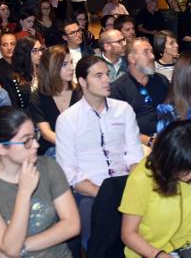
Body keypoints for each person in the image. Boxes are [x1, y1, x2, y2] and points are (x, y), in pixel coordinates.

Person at [0, 106, 80, 257]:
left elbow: (72, 225)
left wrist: (24, 245)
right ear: (1, 149)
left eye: (34, 136)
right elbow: (11, 247)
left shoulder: (47, 166)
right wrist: (24, 192)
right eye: (26, 141)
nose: (36, 145)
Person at [56, 55, 144, 248]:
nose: (106, 80)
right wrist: (104, 193)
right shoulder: (68, 120)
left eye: (107, 74)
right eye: (98, 76)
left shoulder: (124, 110)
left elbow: (134, 154)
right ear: (82, 82)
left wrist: (134, 188)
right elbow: (69, 172)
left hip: (127, 186)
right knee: (101, 236)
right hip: (91, 192)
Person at [119, 120, 191, 258]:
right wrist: (158, 255)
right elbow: (128, 233)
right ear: (170, 162)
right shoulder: (141, 178)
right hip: (150, 251)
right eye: (188, 170)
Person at [111, 37, 169, 140]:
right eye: (146, 52)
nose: (152, 56)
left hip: (167, 137)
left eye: (151, 51)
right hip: (138, 144)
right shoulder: (118, 89)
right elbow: (117, 128)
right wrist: (148, 141)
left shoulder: (162, 81)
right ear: (132, 59)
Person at [29, 45, 82, 156]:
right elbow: (46, 133)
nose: (72, 68)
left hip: (81, 147)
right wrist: (70, 146)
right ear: (51, 67)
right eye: (64, 64)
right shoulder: (38, 96)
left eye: (71, 62)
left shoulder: (81, 92)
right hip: (52, 149)